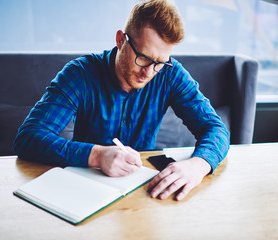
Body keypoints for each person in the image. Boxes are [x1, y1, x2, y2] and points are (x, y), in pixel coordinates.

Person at [13, 0, 230, 201]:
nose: (149, 72)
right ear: (120, 40)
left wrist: (199, 165)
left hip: (146, 193)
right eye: (143, 57)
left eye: (160, 62)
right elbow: (28, 137)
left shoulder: (171, 74)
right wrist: (96, 155)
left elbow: (214, 127)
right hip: (85, 190)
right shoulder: (79, 75)